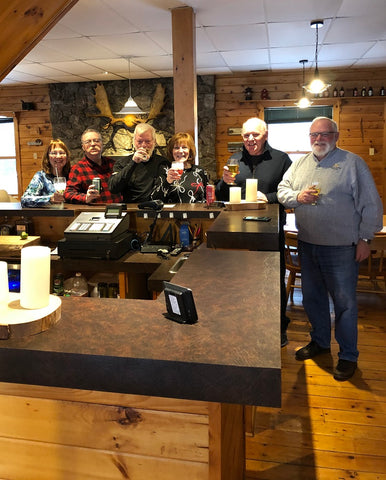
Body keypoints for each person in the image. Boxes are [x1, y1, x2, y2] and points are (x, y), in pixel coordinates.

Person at [277, 117, 383, 381]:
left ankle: (348, 356)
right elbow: (282, 190)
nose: (318, 139)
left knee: (345, 304)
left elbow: (372, 205)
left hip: (342, 248)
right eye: (314, 135)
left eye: (324, 134)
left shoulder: (353, 163)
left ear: (336, 136)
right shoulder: (300, 163)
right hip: (308, 244)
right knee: (313, 298)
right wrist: (297, 197)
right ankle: (320, 342)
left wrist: (365, 240)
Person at [216, 117, 292, 347]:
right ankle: (246, 324)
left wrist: (267, 197)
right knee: (241, 280)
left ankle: (278, 327)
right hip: (239, 229)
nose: (250, 139)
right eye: (246, 135)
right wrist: (223, 182)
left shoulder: (281, 159)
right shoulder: (234, 159)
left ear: (265, 135)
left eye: (255, 135)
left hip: (270, 228)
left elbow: (290, 193)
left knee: (272, 280)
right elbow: (222, 196)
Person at [108, 123, 170, 203]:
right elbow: (113, 188)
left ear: (154, 142)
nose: (143, 145)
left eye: (148, 141)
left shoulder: (163, 162)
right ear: (134, 142)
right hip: (132, 210)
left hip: (156, 209)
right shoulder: (122, 163)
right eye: (139, 141)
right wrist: (133, 163)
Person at [64, 128, 122, 204]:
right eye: (88, 142)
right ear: (83, 147)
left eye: (96, 141)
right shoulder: (78, 169)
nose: (93, 144)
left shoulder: (113, 164)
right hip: (95, 212)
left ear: (102, 144)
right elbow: (68, 193)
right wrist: (85, 198)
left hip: (119, 209)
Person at [151, 132, 209, 203]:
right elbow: (155, 199)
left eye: (184, 147)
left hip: (197, 213)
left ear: (190, 151)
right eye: (176, 148)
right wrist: (168, 181)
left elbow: (208, 198)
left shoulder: (200, 171)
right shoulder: (164, 170)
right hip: (173, 213)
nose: (180, 151)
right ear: (171, 151)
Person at [21, 139, 71, 207]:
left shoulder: (72, 175)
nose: (58, 156)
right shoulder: (41, 176)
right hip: (49, 216)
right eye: (54, 153)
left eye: (62, 153)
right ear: (47, 157)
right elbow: (25, 200)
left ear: (67, 157)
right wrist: (49, 199)